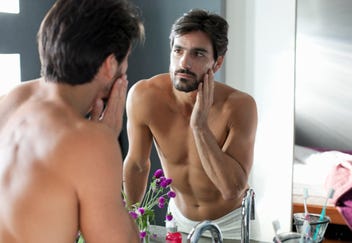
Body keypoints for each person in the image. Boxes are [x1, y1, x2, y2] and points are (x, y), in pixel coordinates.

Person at [0, 0, 144, 242]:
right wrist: (106, 139)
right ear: (110, 65)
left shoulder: (10, 102)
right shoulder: (89, 142)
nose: (126, 69)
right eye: (125, 59)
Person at [123, 9, 258, 240]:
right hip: (177, 219)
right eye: (178, 50)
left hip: (230, 224)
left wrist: (200, 127)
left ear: (217, 63)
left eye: (198, 54)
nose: (183, 62)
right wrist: (129, 218)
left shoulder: (239, 106)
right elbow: (137, 164)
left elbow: (231, 189)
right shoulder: (144, 96)